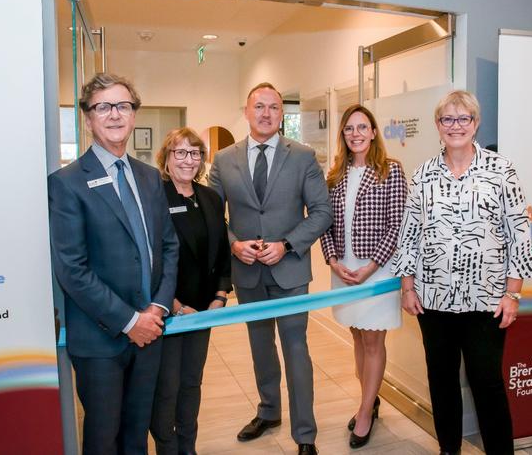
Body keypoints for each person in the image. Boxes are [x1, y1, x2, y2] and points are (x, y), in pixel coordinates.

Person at [392, 90, 532, 455]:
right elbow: (409, 233)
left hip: (487, 301)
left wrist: (513, 294)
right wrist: (407, 287)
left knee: (486, 383)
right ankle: (448, 450)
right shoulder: (423, 174)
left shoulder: (500, 170)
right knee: (441, 381)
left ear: (475, 124)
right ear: (437, 126)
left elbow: (519, 234)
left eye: (463, 119)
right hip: (434, 301)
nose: (455, 126)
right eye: (447, 119)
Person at [48, 73, 179, 455]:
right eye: (103, 107)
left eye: (123, 105)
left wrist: (155, 308)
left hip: (150, 333)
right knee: (104, 440)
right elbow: (72, 269)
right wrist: (129, 321)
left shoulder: (151, 177)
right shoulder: (67, 183)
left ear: (134, 115)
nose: (114, 114)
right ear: (88, 119)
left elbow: (169, 248)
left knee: (137, 435)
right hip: (100, 339)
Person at [208, 82, 332, 455]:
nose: (266, 113)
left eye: (274, 107)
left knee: (296, 349)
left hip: (290, 270)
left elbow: (322, 212)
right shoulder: (224, 159)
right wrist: (232, 243)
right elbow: (213, 216)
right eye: (259, 106)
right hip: (247, 272)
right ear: (246, 112)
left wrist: (287, 245)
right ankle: (269, 411)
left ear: (282, 114)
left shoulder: (303, 156)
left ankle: (305, 434)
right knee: (260, 346)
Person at [319, 104, 407, 449]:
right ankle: (369, 398)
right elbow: (324, 221)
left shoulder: (391, 171)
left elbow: (397, 225)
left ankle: (365, 412)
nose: (355, 134)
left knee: (373, 342)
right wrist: (332, 261)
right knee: (357, 338)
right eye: (349, 129)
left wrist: (371, 267)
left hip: (377, 271)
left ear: (373, 132)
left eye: (362, 127)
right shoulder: (335, 175)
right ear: (343, 135)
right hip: (344, 271)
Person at [150, 128, 232, 455]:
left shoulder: (210, 197)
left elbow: (222, 252)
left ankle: (188, 447)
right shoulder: (154, 197)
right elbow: (150, 258)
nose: (188, 160)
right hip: (168, 311)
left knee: (191, 384)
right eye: (180, 153)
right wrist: (174, 304)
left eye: (195, 153)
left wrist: (220, 295)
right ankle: (166, 449)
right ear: (167, 159)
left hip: (202, 312)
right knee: (166, 388)